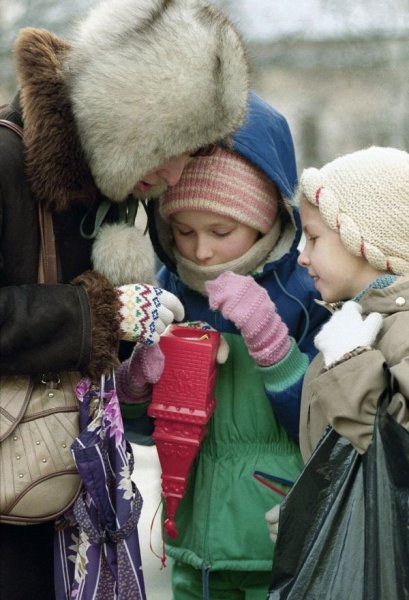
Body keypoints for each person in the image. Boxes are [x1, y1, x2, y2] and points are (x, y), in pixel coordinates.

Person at [0, 0, 249, 597]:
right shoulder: (7, 161)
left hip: (63, 495)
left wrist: (136, 362)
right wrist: (99, 315)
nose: (173, 175)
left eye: (190, 152)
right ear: (127, 112)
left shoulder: (112, 189)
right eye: (169, 145)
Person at [119, 92, 328, 599]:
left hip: (277, 545)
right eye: (183, 230)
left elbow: (326, 432)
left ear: (264, 217)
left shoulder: (306, 292)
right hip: (191, 540)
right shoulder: (171, 288)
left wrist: (273, 345)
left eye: (221, 230)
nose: (201, 248)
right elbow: (143, 435)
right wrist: (139, 385)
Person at [295, 145, 409, 463]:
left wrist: (351, 365)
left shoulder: (403, 331)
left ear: (362, 238)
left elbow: (396, 454)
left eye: (314, 238)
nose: (303, 257)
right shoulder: (357, 323)